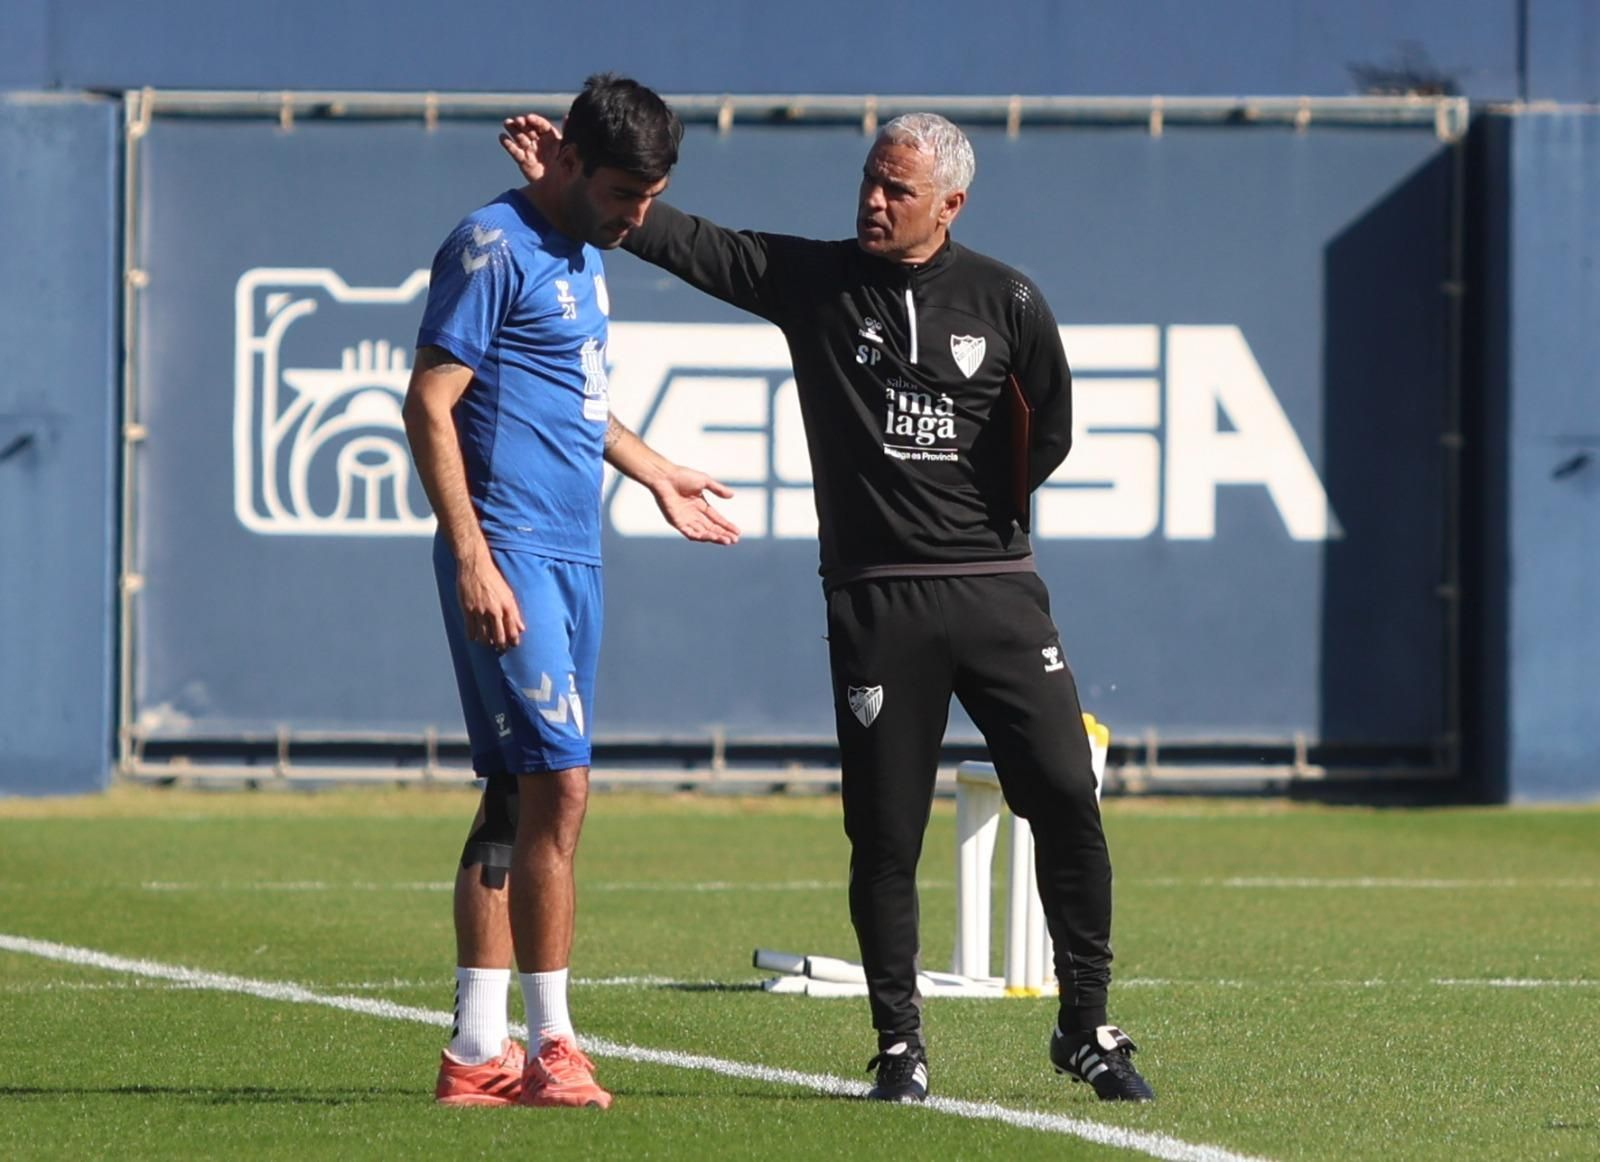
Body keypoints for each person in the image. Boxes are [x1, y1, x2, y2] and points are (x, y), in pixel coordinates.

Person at [502, 108, 1156, 1105]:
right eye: (869, 180)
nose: (874, 201)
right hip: (877, 601)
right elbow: (686, 241)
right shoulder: (816, 282)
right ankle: (900, 1045)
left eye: (899, 190)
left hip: (996, 591)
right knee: (885, 833)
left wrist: (971, 518)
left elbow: (1049, 431)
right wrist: (578, 178)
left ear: (950, 203)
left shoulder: (1008, 299)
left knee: (1067, 793)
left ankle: (1087, 1025)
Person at [404, 74, 739, 1111]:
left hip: (574, 551)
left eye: (652, 196)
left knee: (519, 792)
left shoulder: (588, 248)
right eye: (624, 193)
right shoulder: (490, 245)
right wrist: (472, 556)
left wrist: (654, 471)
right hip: (508, 547)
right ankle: (553, 1045)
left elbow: (574, 398)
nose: (638, 215)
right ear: (576, 165)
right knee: (564, 784)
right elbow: (427, 402)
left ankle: (475, 1053)